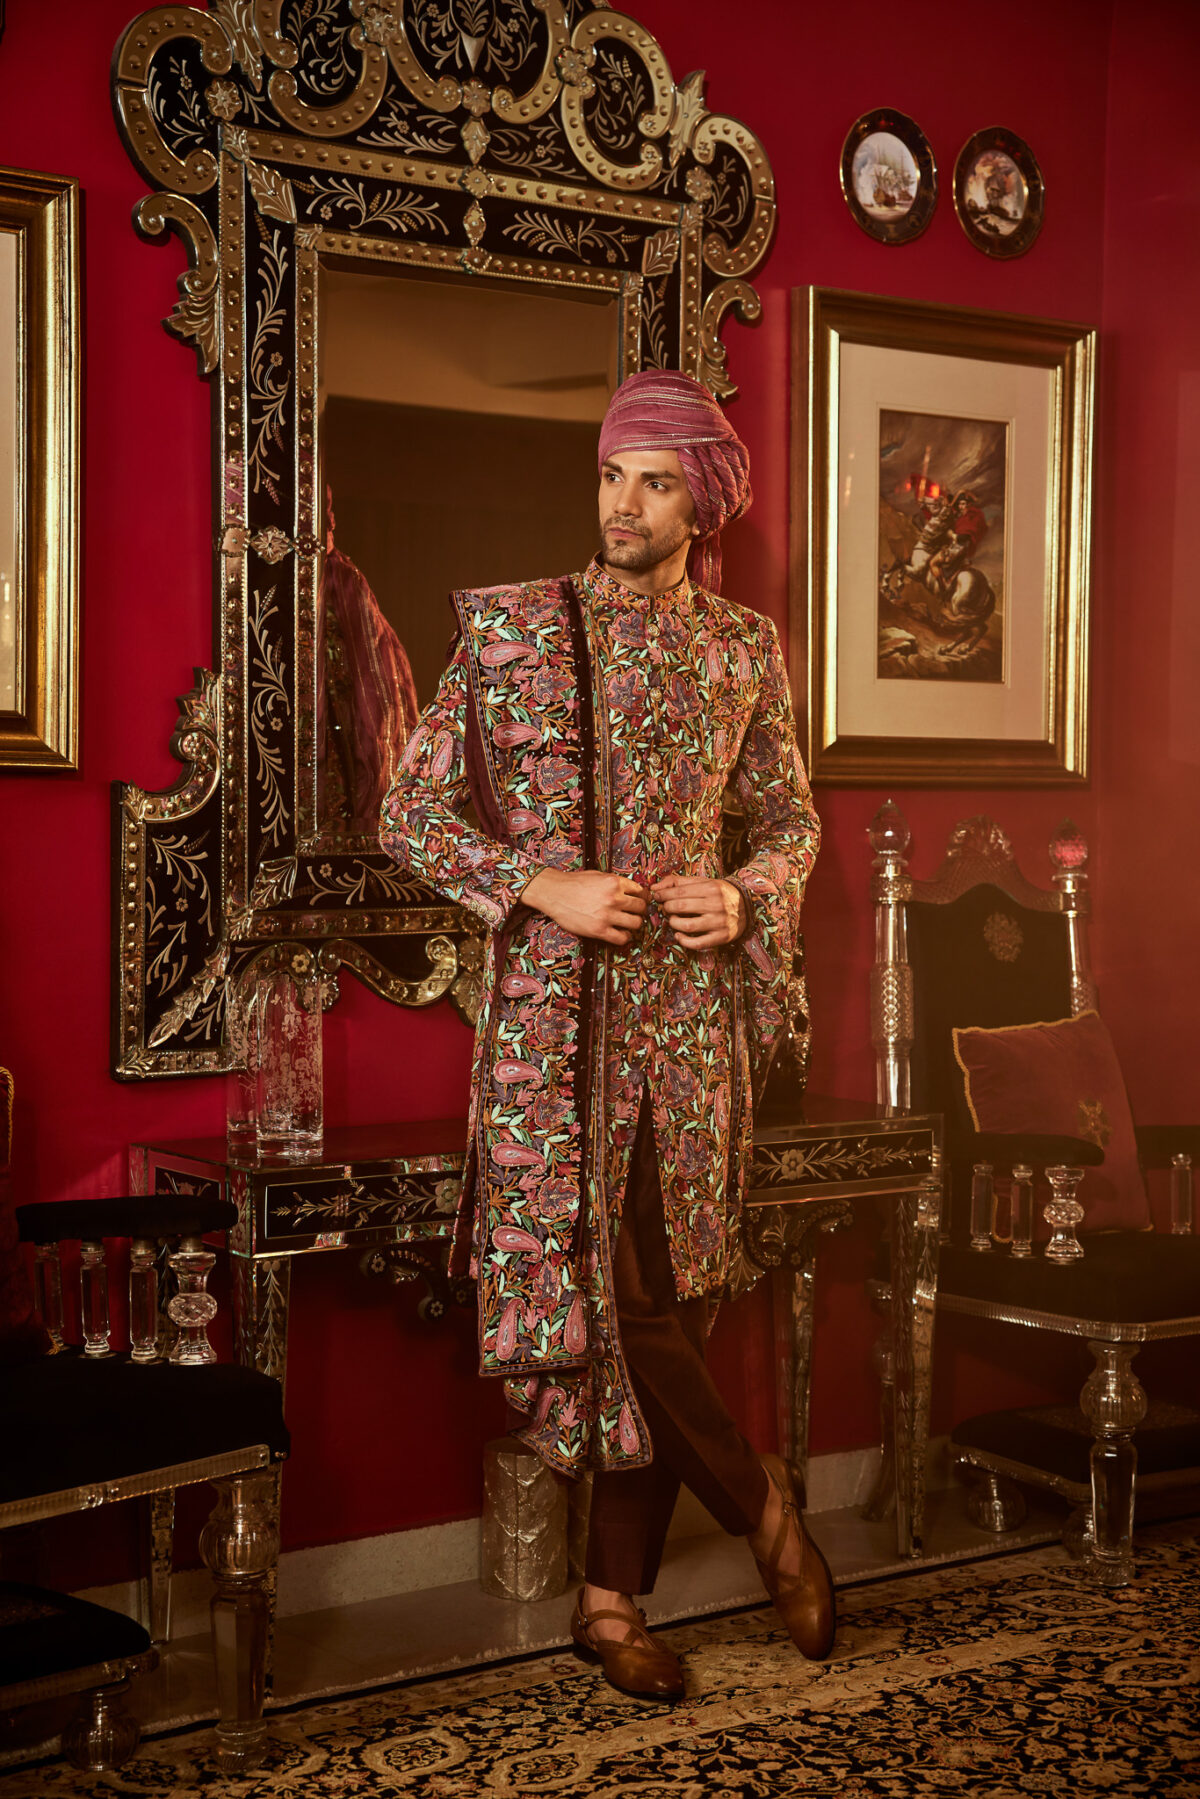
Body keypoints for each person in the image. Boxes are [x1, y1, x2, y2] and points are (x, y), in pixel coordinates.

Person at [379, 369, 831, 1702]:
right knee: (611, 1296)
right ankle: (765, 1511)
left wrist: (739, 896)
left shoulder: (744, 651)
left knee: (669, 1293)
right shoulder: (515, 629)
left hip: (689, 1030)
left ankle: (607, 1601)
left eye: (655, 481)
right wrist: (541, 883)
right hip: (553, 1036)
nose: (623, 503)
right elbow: (410, 813)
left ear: (704, 504)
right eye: (611, 475)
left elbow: (791, 822)